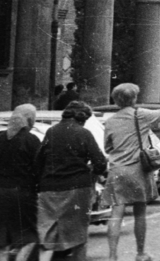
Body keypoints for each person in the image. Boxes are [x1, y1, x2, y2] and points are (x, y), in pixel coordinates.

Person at [102, 84, 160, 261]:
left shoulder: (111, 121)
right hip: (138, 170)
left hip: (117, 170)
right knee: (140, 212)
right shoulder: (141, 115)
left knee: (116, 212)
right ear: (134, 99)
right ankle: (140, 252)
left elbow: (108, 146)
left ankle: (112, 256)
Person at [35, 100, 106, 261]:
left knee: (47, 236)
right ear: (82, 118)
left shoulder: (51, 132)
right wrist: (92, 171)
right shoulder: (83, 133)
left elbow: (38, 161)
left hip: (49, 189)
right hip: (77, 189)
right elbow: (100, 163)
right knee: (78, 234)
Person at [0, 103, 41, 261]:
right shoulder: (31, 140)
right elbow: (38, 170)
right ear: (29, 120)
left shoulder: (0, 139)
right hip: (22, 193)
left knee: (0, 240)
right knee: (28, 237)